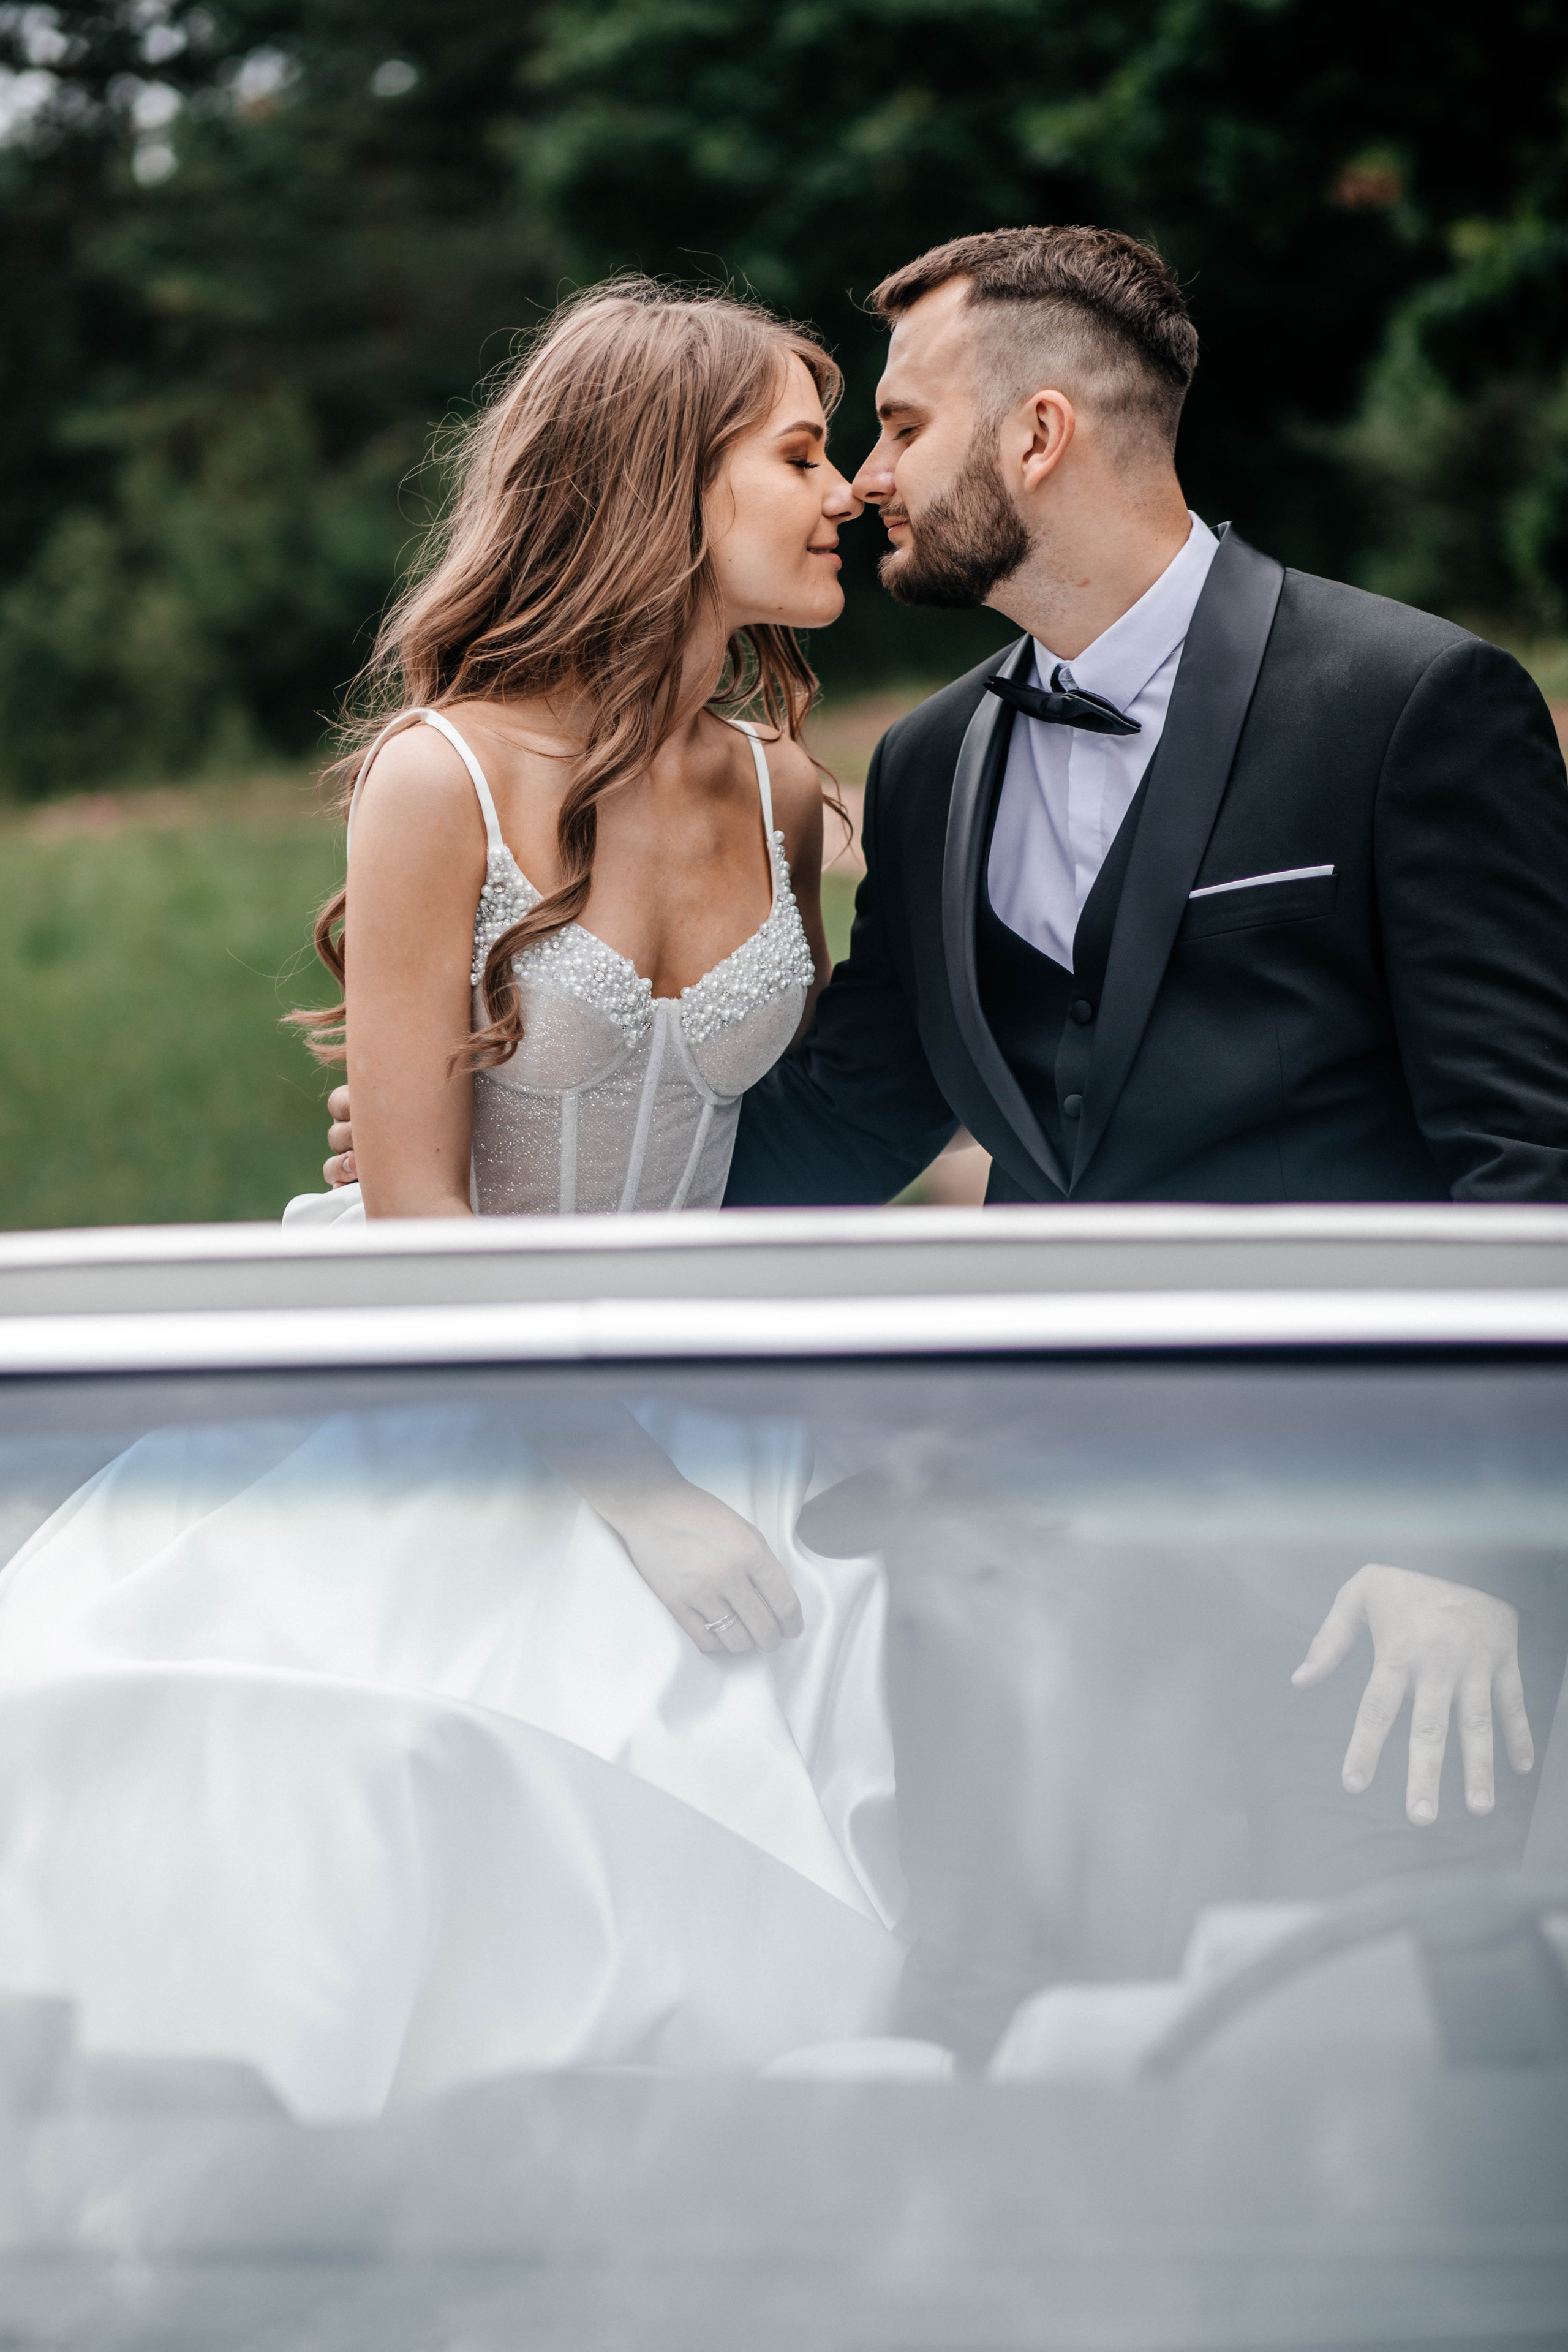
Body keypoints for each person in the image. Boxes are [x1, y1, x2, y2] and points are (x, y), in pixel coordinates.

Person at [328, 227, 1566, 1842]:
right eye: (826, 446)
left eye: (899, 427)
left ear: (1038, 436)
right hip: (1020, 1558)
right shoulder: (927, 768)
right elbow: (844, 1109)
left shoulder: (1407, 704)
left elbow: (1532, 1159)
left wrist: (1466, 1537)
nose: (863, 481)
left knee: (1381, 1986)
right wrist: (481, 1178)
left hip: (1360, 1561)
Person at [0, 283, 908, 2117]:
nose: (849, 497)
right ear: (664, 482)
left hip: (718, 1391)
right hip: (455, 1377)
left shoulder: (786, 791)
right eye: (803, 455)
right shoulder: (444, 781)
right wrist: (635, 1501)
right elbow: (418, 1212)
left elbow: (839, 1125)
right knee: (400, 1819)